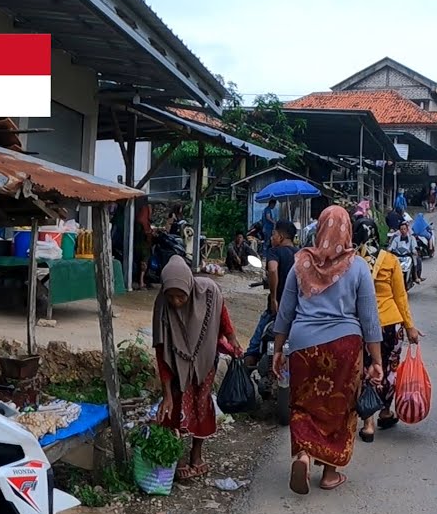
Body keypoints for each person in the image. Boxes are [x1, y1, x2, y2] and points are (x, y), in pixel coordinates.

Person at [272, 206, 383, 493]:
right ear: (348, 231)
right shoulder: (357, 266)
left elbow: (285, 310)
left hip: (303, 344)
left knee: (303, 404)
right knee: (339, 408)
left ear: (319, 228)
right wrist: (376, 361)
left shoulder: (301, 262)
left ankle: (304, 455)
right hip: (345, 346)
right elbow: (369, 317)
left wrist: (278, 348)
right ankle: (330, 474)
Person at [152, 255, 242, 482]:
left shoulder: (209, 293)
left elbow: (224, 321)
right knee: (176, 405)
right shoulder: (162, 305)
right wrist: (165, 393)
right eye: (170, 296)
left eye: (180, 296)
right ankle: (180, 457)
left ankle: (197, 453)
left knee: (201, 406)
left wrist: (233, 341)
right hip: (175, 363)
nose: (176, 302)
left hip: (204, 360)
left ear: (190, 287)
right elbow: (161, 351)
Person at [352, 217, 423, 442]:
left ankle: (368, 423)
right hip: (390, 323)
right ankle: (385, 411)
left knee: (365, 368)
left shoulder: (351, 261)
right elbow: (401, 297)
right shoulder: (390, 260)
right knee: (389, 369)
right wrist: (409, 326)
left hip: (360, 324)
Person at [243, 221, 298, 367]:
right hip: (297, 313)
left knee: (252, 349)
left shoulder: (274, 251)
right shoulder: (301, 254)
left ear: (280, 236)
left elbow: (273, 270)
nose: (271, 238)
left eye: (273, 234)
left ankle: (247, 375)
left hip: (275, 311)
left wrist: (274, 298)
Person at [135, 198, 154, 290]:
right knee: (144, 262)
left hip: (138, 245)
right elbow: (147, 232)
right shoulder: (143, 222)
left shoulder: (139, 220)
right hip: (143, 245)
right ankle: (141, 282)